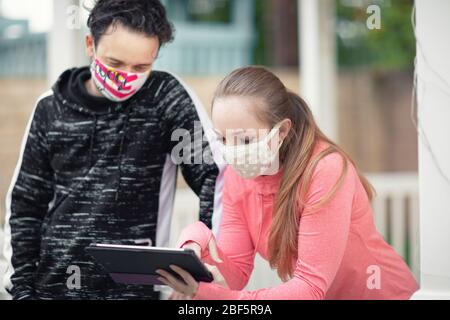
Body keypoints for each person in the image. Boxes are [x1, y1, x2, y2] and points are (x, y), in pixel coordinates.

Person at [3, 0, 224, 300]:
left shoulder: (167, 100)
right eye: (116, 63)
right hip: (50, 289)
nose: (126, 76)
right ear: (90, 44)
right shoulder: (49, 108)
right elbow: (26, 206)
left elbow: (218, 177)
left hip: (137, 292)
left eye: (141, 67)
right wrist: (22, 291)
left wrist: (202, 272)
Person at [156, 66, 419, 300]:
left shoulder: (325, 169)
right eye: (223, 140)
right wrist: (197, 239)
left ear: (281, 130)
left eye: (245, 140)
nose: (232, 152)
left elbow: (309, 288)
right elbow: (234, 271)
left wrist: (211, 295)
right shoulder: (238, 177)